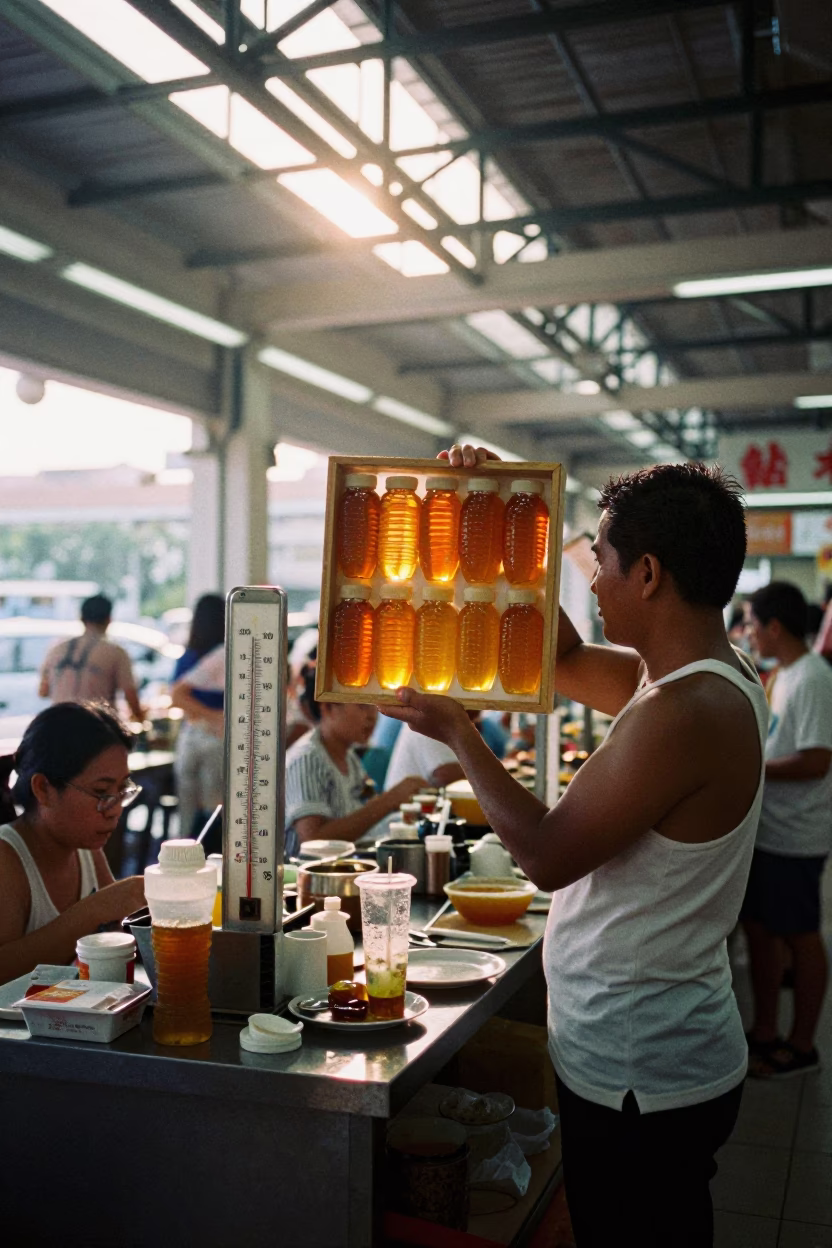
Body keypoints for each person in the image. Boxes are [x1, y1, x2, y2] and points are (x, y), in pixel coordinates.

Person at [385, 446, 768, 1248]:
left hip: (642, 1067)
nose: (591, 585)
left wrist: (461, 732)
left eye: (601, 564)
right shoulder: (696, 680)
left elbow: (547, 855)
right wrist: (498, 508)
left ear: (650, 575)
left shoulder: (683, 712)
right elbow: (553, 657)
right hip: (656, 1046)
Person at [742, 581, 832, 1078]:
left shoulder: (814, 678)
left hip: (797, 836)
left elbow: (818, 760)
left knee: (799, 935)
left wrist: (752, 767)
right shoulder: (783, 674)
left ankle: (803, 1046)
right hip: (770, 832)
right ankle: (765, 1030)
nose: (750, 633)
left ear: (775, 627)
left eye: (753, 624)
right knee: (760, 930)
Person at [0, 702, 146, 983]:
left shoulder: (87, 854)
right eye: (101, 792)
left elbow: (119, 938)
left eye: (122, 790)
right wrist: (94, 909)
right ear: (43, 789)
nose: (115, 808)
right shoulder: (8, 858)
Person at [284, 664, 425, 859]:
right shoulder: (308, 759)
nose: (371, 716)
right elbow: (311, 841)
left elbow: (366, 813)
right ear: (328, 707)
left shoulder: (348, 757)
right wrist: (391, 798)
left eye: (374, 706)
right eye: (362, 705)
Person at [169, 594, 225, 839]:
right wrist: (217, 717)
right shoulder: (225, 655)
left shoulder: (188, 656)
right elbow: (177, 694)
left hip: (189, 737)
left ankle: (180, 864)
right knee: (214, 812)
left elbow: (176, 696)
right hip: (215, 739)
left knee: (187, 813)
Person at [38, 593, 143, 721]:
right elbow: (130, 694)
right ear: (109, 619)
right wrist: (141, 719)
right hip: (98, 728)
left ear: (81, 618)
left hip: (58, 725)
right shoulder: (115, 653)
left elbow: (43, 692)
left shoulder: (56, 650)